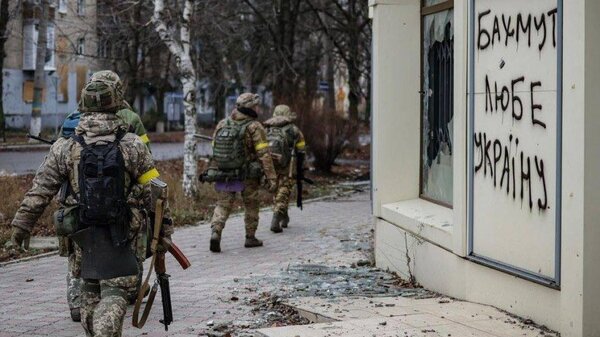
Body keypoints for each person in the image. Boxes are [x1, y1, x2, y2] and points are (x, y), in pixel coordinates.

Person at [9, 78, 159, 336]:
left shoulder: (64, 147)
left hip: (82, 236)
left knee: (89, 295)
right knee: (115, 293)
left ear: (83, 105)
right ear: (117, 104)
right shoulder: (133, 145)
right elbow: (155, 194)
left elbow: (41, 190)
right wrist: (163, 234)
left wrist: (20, 227)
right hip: (124, 235)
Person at [58, 70, 151, 322]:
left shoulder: (71, 119)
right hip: (120, 207)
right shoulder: (129, 117)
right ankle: (124, 289)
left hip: (76, 207)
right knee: (125, 247)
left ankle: (78, 301)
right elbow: (145, 163)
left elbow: (61, 162)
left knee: (77, 256)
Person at [207, 93, 277, 253]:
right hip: (248, 175)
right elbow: (264, 154)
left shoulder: (222, 124)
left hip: (225, 173)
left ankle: (216, 232)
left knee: (223, 204)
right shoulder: (254, 126)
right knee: (251, 204)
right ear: (250, 108)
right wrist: (271, 177)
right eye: (256, 106)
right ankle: (250, 237)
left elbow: (214, 149)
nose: (258, 108)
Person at [263, 104, 306, 233]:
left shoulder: (266, 129)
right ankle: (277, 216)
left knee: (276, 190)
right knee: (284, 190)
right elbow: (301, 150)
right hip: (287, 165)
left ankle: (284, 216)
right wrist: (302, 166)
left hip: (270, 165)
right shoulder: (294, 130)